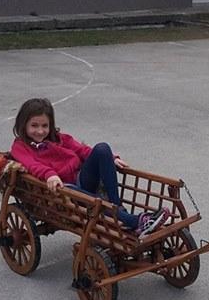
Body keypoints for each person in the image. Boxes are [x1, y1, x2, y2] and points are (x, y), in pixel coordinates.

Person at [10, 97, 169, 236]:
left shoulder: (59, 138)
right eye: (34, 126)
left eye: (45, 126)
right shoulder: (20, 147)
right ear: (24, 125)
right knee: (79, 193)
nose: (40, 131)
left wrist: (110, 159)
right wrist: (50, 174)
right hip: (62, 192)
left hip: (81, 179)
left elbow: (82, 150)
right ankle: (135, 221)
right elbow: (32, 164)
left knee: (102, 148)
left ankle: (117, 209)